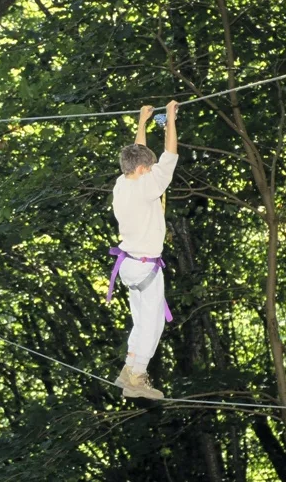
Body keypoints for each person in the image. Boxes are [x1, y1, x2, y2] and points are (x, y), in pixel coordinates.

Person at [108, 100, 179, 400]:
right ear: (142, 170)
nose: (152, 171)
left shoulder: (122, 183)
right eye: (148, 169)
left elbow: (139, 154)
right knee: (152, 327)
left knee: (141, 321)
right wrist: (170, 119)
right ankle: (137, 378)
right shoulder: (149, 185)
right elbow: (170, 155)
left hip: (130, 266)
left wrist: (142, 121)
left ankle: (128, 369)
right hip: (146, 266)